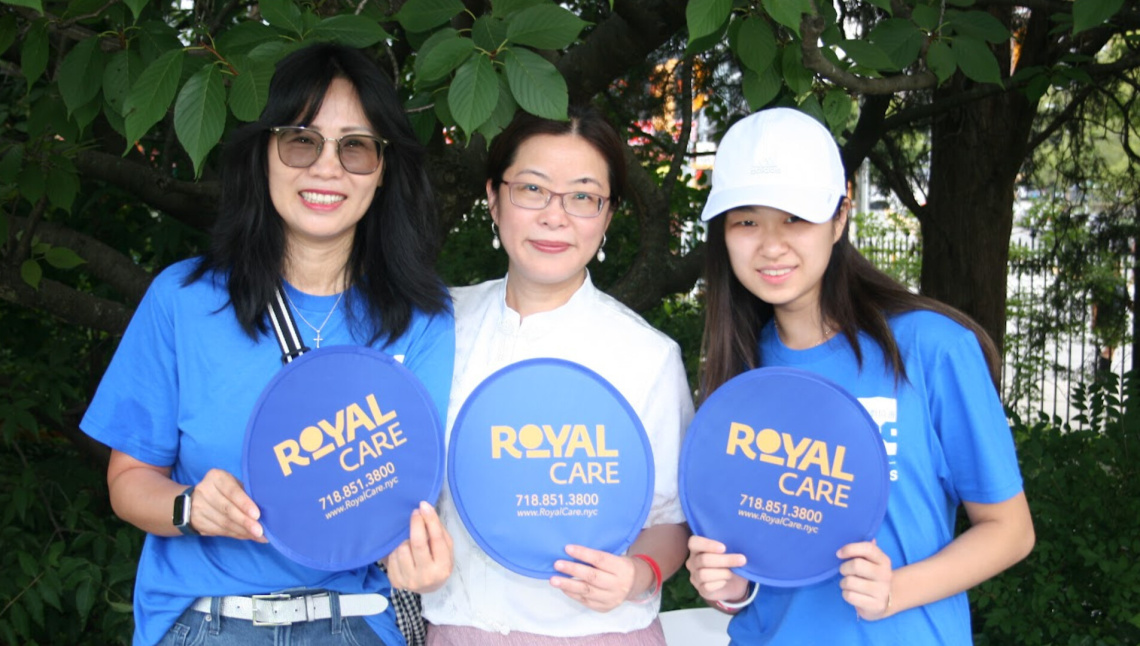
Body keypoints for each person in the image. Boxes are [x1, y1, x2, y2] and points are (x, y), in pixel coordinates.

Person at [80, 44, 455, 646]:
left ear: (383, 170)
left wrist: (416, 561)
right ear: (263, 155)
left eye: (355, 146)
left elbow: (414, 501)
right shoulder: (183, 300)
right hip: (210, 621)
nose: (327, 168)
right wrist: (189, 507)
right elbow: (128, 481)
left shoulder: (423, 320)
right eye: (301, 140)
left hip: (355, 621)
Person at [685, 108, 1035, 644]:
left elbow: (1010, 531)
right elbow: (756, 556)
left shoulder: (930, 349)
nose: (771, 245)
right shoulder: (739, 369)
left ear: (840, 216)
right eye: (747, 220)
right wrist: (729, 586)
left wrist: (896, 589)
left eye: (796, 217)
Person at [420, 106, 693, 645]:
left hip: (598, 634)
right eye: (533, 189)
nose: (555, 216)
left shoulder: (646, 354)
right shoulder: (438, 329)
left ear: (607, 215)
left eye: (583, 197)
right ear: (494, 200)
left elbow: (673, 519)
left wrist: (637, 574)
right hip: (457, 632)